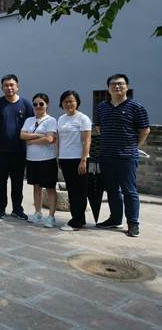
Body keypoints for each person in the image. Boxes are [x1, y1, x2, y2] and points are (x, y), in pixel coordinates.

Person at [95, 74, 150, 237]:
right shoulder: (101, 107)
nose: (117, 86)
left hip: (127, 156)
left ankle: (133, 224)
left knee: (129, 190)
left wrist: (133, 146)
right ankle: (115, 219)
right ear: (108, 88)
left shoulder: (136, 107)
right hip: (106, 155)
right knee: (111, 189)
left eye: (120, 84)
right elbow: (99, 127)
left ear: (127, 87)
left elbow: (145, 130)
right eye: (113, 84)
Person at [0, 74, 34, 220]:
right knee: (1, 181)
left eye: (12, 85)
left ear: (17, 86)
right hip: (1, 150)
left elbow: (32, 126)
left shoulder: (26, 104)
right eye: (6, 85)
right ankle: (1, 208)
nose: (9, 88)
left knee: (17, 182)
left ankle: (17, 209)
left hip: (19, 150)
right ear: (2, 87)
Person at [20, 93, 58, 228]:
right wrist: (38, 135)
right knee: (36, 187)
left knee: (50, 188)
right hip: (31, 159)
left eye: (41, 104)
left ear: (47, 105)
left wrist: (31, 141)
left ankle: (51, 216)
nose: (38, 106)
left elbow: (49, 139)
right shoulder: (29, 120)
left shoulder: (51, 120)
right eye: (35, 104)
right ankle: (38, 212)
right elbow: (22, 135)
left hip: (47, 159)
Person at [57, 90, 91, 231]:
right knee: (71, 190)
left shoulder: (83, 119)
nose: (69, 104)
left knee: (79, 191)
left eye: (71, 101)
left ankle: (77, 221)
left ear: (77, 102)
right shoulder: (61, 119)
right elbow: (60, 140)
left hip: (78, 159)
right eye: (65, 101)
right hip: (65, 159)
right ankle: (78, 218)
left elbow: (87, 141)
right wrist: (58, 157)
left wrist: (83, 160)